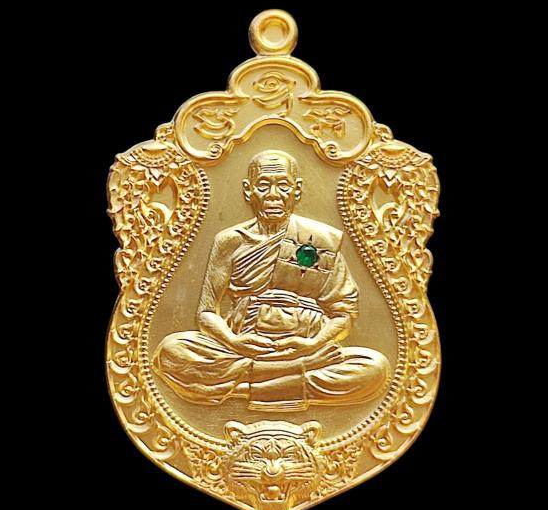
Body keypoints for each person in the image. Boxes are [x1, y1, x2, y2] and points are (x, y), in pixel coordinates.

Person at [152, 150, 390, 411]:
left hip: (306, 345)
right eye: (264, 185)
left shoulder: (318, 240)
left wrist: (312, 345)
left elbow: (343, 313)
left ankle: (244, 387)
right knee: (171, 351)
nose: (274, 195)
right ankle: (293, 375)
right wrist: (233, 341)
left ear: (297, 190)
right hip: (245, 346)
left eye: (283, 185)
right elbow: (207, 313)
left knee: (375, 368)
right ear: (248, 191)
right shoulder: (230, 241)